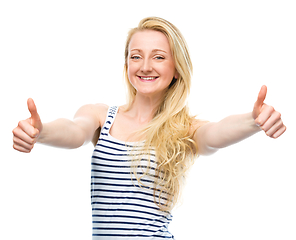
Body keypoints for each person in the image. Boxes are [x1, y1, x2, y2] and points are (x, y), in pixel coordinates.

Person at [12, 17, 286, 239]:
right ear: (126, 64)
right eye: (135, 57)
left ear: (176, 68)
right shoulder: (99, 116)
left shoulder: (184, 129)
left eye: (158, 57)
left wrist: (254, 121)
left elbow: (215, 134)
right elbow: (73, 132)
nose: (144, 67)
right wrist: (41, 132)